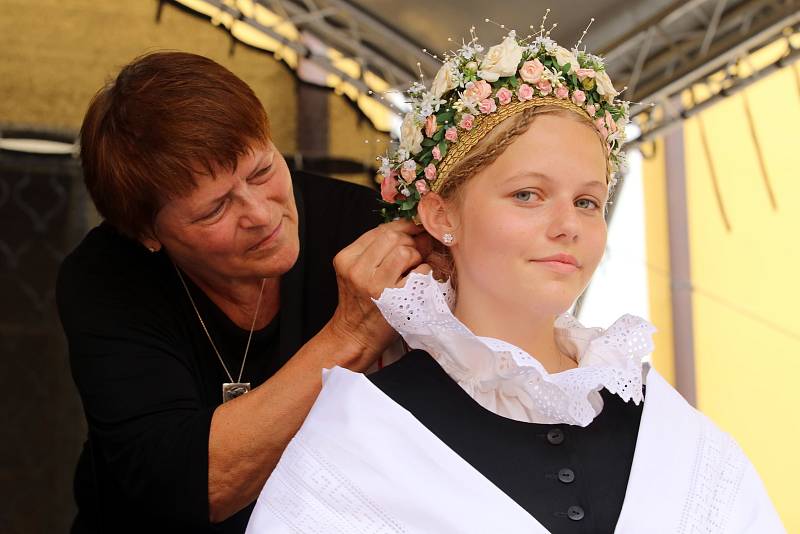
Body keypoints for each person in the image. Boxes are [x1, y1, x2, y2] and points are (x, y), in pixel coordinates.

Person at [247, 29, 785, 533]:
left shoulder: (677, 438)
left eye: (587, 201)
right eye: (527, 194)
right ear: (441, 217)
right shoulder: (359, 439)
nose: (567, 225)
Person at [56, 51, 429, 533]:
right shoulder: (105, 278)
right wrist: (348, 337)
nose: (260, 213)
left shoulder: (362, 226)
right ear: (148, 233)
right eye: (214, 210)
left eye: (262, 172)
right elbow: (194, 486)